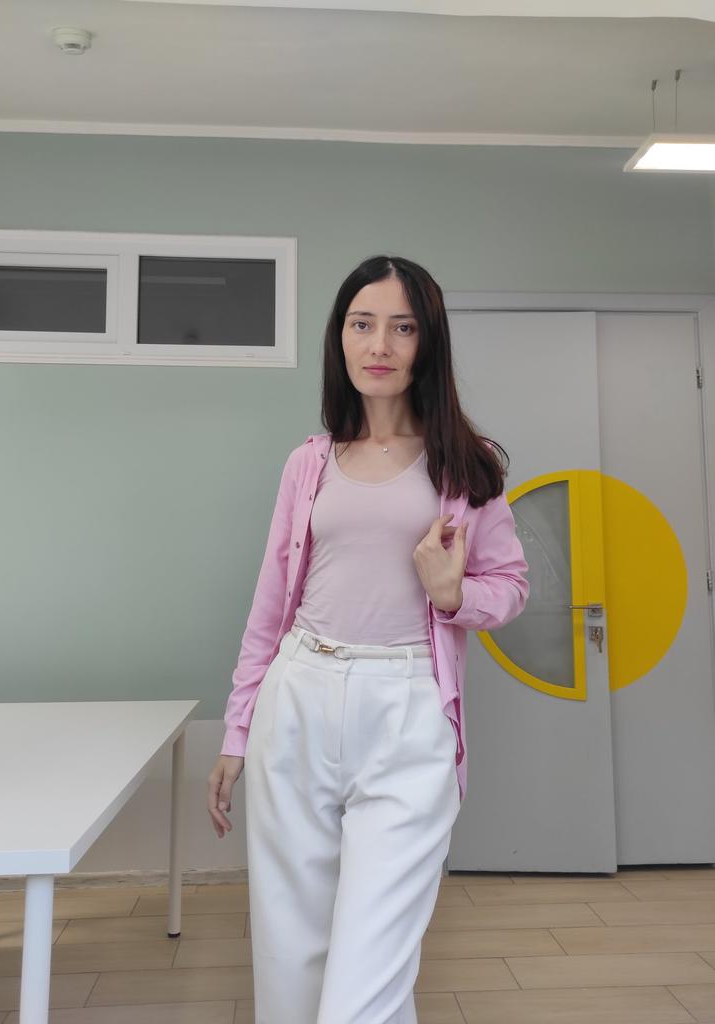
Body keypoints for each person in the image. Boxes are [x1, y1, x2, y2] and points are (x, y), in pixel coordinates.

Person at [208, 254, 530, 1024]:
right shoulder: (308, 463)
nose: (379, 344)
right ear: (341, 338)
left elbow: (512, 585)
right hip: (299, 695)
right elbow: (270, 607)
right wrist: (237, 728)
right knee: (290, 950)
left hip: (409, 707)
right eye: (362, 324)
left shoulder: (468, 466)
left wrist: (453, 595)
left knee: (368, 977)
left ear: (428, 343)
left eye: (403, 327)